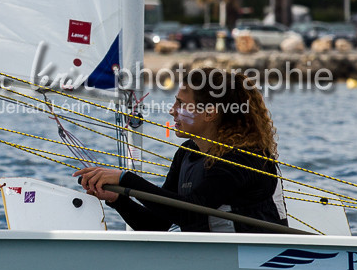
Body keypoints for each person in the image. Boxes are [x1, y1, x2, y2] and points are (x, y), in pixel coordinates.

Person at [74, 68, 282, 232]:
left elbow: (191, 212)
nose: (172, 111)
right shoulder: (187, 153)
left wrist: (125, 179)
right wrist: (119, 200)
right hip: (212, 262)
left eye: (181, 104)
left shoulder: (244, 158)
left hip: (257, 261)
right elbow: (157, 225)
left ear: (210, 113)